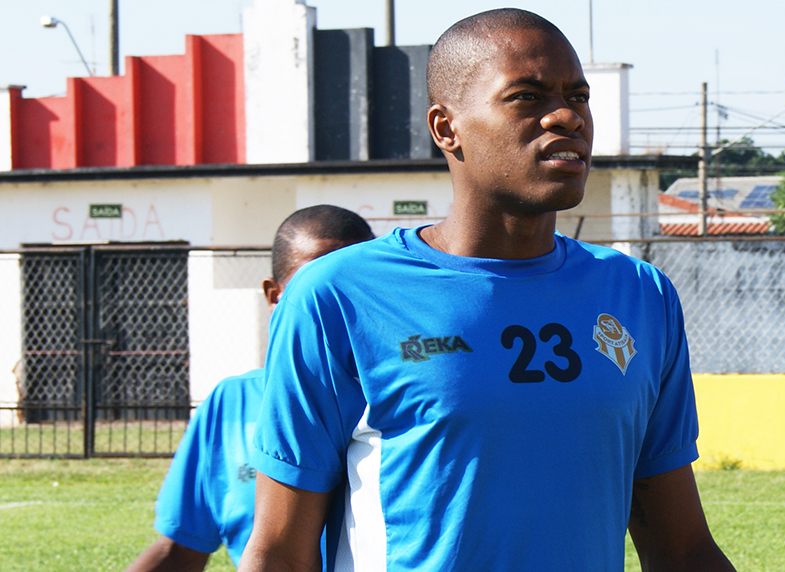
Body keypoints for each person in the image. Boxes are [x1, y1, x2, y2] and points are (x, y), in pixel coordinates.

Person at [241, 9, 735, 572]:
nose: (567, 116)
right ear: (446, 128)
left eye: (578, 96)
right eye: (526, 96)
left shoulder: (639, 294)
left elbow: (682, 548)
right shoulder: (337, 295)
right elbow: (279, 551)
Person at [126, 205, 374, 572]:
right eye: (315, 285)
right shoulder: (231, 402)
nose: (338, 302)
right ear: (274, 296)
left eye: (359, 284)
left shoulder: (410, 400)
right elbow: (181, 550)